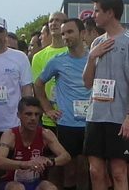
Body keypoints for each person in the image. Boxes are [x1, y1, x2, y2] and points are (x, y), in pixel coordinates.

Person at [82, 0, 129, 190]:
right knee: (95, 171)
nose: (94, 15)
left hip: (120, 118)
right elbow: (87, 83)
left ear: (110, 12)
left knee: (119, 172)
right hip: (95, 116)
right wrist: (91, 57)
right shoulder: (96, 43)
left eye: (97, 11)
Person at [35, 17, 91, 190]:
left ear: (82, 33)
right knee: (69, 170)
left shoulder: (94, 58)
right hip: (67, 123)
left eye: (70, 32)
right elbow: (38, 84)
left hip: (91, 122)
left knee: (86, 169)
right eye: (63, 33)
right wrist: (47, 109)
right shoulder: (57, 61)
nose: (66, 36)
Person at [0, 17, 36, 186]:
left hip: (13, 126)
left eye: (0, 31)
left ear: (5, 33)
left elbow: (26, 90)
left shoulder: (19, 58)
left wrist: (26, 122)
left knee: (15, 172)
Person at [0, 96, 73, 190]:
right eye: (28, 114)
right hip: (12, 182)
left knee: (50, 188)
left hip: (36, 182)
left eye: (36, 114)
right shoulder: (10, 135)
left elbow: (66, 156)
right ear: (19, 115)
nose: (33, 118)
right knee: (17, 188)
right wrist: (25, 164)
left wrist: (49, 161)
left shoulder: (45, 134)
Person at [29, 9, 69, 185]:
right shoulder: (39, 56)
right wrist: (48, 110)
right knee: (51, 165)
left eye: (59, 20)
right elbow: (37, 86)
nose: (54, 23)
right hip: (49, 119)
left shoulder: (74, 51)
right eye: (52, 20)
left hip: (72, 118)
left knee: (72, 166)